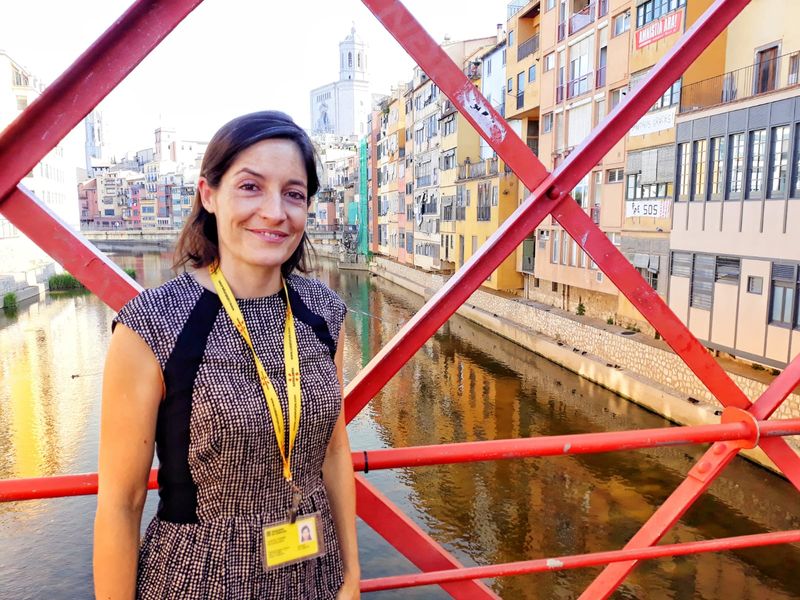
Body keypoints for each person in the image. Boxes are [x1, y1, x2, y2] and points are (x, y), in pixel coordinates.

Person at [94, 111, 360, 599]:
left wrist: (352, 576)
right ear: (209, 194)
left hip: (316, 575)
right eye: (251, 187)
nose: (276, 211)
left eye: (294, 194)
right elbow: (121, 501)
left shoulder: (325, 313)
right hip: (201, 580)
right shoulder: (151, 324)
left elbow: (334, 450)